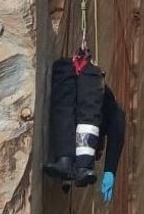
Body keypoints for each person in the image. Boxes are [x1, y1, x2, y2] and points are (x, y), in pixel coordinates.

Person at [43, 47, 125, 199]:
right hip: (82, 127)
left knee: (79, 112)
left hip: (87, 134)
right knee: (74, 109)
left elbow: (117, 129)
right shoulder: (92, 91)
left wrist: (110, 170)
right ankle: (71, 163)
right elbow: (117, 128)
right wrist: (109, 170)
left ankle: (74, 164)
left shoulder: (105, 102)